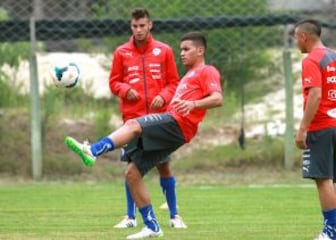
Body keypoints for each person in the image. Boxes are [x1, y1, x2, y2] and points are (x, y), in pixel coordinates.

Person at [65, 31, 223, 239]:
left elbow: (217, 98)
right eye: (181, 49)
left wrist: (193, 104)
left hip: (178, 124)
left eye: (186, 49)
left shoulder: (207, 71)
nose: (181, 53)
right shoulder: (188, 76)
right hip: (175, 127)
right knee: (132, 173)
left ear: (200, 50)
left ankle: (92, 151)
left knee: (133, 125)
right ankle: (152, 226)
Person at [108, 8, 187, 230]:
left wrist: (163, 96)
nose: (139, 30)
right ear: (130, 27)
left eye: (142, 25)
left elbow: (174, 83)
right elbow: (114, 82)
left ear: (150, 25)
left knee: (164, 166)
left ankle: (174, 215)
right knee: (132, 168)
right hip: (132, 121)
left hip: (158, 121)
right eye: (135, 26)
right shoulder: (121, 52)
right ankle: (130, 217)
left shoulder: (164, 51)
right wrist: (125, 90)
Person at [293, 19, 336, 240]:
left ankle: (331, 232)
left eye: (295, 38)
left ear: (303, 37)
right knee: (329, 179)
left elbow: (316, 94)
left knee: (323, 179)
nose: (295, 42)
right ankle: (332, 230)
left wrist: (302, 129)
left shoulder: (312, 60)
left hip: (322, 126)